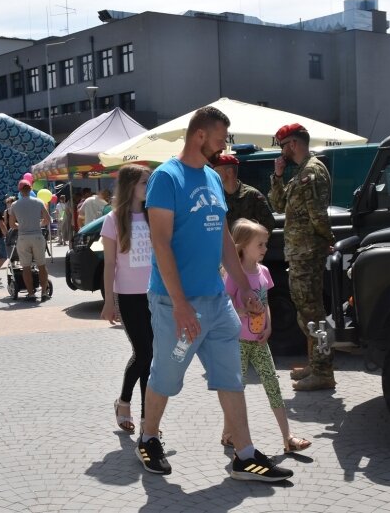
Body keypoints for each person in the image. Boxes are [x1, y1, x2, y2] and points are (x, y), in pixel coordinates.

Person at [138, 106, 292, 482]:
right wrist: (179, 304)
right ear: (200, 135)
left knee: (230, 376)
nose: (225, 144)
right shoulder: (166, 178)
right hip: (178, 304)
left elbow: (224, 239)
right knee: (167, 375)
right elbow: (160, 243)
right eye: (221, 137)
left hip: (217, 303)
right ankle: (148, 437)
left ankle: (244, 455)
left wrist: (245, 287)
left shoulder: (210, 177)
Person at [220, 218, 312, 453]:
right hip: (237, 342)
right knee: (235, 390)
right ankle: (229, 432)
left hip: (260, 341)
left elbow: (265, 301)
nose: (265, 249)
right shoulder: (233, 274)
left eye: (265, 244)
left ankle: (287, 437)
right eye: (259, 244)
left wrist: (268, 327)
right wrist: (244, 312)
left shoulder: (264, 272)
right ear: (242, 245)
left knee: (273, 385)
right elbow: (226, 306)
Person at [269, 123, 336, 391]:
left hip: (308, 253)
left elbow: (318, 215)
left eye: (283, 146)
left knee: (313, 314)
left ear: (293, 144)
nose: (282, 151)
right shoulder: (300, 172)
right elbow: (278, 205)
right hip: (300, 253)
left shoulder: (312, 171)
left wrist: (327, 240)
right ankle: (316, 364)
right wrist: (277, 176)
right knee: (306, 312)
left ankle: (323, 371)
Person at [100, 165, 154, 434]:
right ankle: (125, 403)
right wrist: (109, 301)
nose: (149, 186)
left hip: (155, 295)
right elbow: (110, 264)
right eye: (145, 182)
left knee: (150, 357)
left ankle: (147, 420)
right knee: (144, 354)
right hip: (129, 297)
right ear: (130, 185)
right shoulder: (113, 220)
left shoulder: (154, 215)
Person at [211, 154, 276, 233]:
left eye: (216, 172)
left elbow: (268, 225)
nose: (213, 175)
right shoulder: (215, 198)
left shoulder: (252, 195)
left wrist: (252, 243)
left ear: (229, 172)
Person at [10, 179, 51, 301]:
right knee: (42, 265)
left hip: (23, 237)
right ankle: (44, 292)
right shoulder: (39, 202)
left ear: (20, 190)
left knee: (26, 267)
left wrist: (21, 226)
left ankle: (31, 293)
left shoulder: (14, 205)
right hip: (37, 235)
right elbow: (47, 219)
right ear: (30, 189)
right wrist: (39, 224)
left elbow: (12, 224)